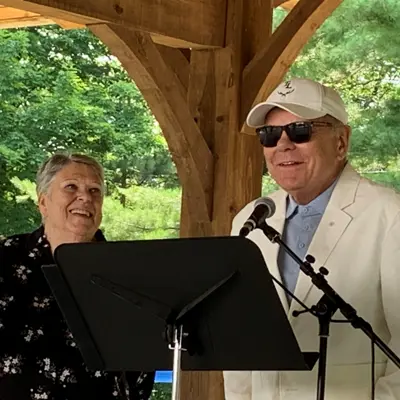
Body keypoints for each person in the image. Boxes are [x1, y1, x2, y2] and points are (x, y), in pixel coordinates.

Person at [223, 78, 400, 399]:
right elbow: (240, 339)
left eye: (301, 131)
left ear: (341, 141)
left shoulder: (390, 214)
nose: (283, 145)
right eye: (269, 135)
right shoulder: (250, 219)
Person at [0, 153, 155, 400]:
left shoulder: (126, 271)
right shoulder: (6, 258)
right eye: (71, 187)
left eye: (95, 191)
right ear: (43, 202)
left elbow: (144, 360)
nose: (85, 197)